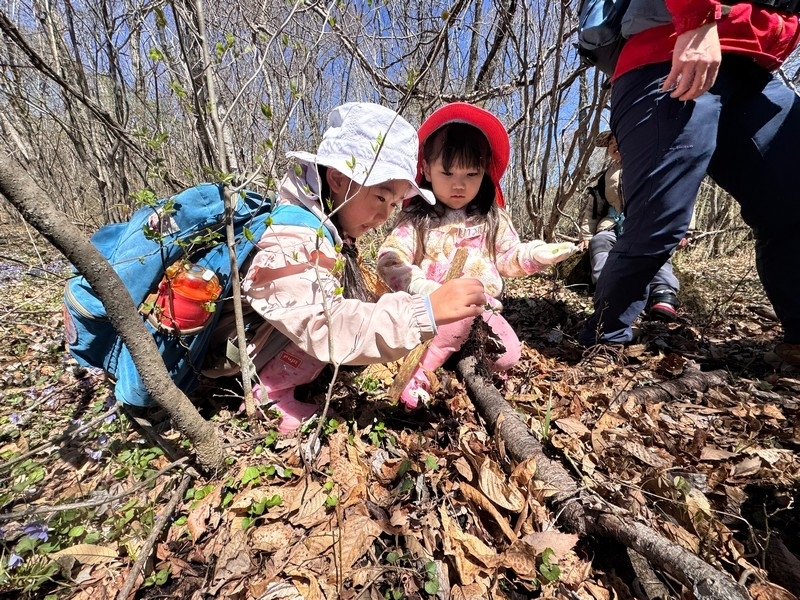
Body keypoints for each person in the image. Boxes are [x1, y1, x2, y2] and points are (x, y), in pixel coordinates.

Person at [207, 102, 489, 432]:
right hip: (228, 355)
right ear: (338, 179)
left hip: (259, 339)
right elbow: (327, 326)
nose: (385, 215)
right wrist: (424, 312)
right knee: (337, 312)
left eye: (395, 204)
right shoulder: (294, 239)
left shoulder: (327, 229)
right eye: (380, 197)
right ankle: (269, 395)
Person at [578, 0, 800, 374]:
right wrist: (696, 16)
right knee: (656, 224)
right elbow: (599, 213)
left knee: (790, 204)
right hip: (672, 46)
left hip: (757, 67)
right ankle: (604, 338)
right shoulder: (602, 182)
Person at [376, 102, 577, 407]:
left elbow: (509, 257)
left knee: (509, 355)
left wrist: (537, 254)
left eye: (472, 173)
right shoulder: (418, 220)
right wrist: (421, 287)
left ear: (485, 173)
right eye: (447, 172)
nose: (459, 184)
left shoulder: (492, 218)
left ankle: (462, 357)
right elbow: (390, 258)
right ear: (427, 169)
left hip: (483, 313)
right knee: (455, 320)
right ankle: (422, 371)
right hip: (431, 308)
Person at [579, 131, 681, 322]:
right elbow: (593, 208)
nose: (614, 146)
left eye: (618, 142)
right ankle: (608, 294)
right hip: (612, 225)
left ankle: (663, 293)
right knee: (599, 243)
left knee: (655, 247)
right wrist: (586, 235)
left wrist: (682, 229)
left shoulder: (651, 165)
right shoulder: (604, 178)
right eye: (610, 144)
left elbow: (675, 196)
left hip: (646, 224)